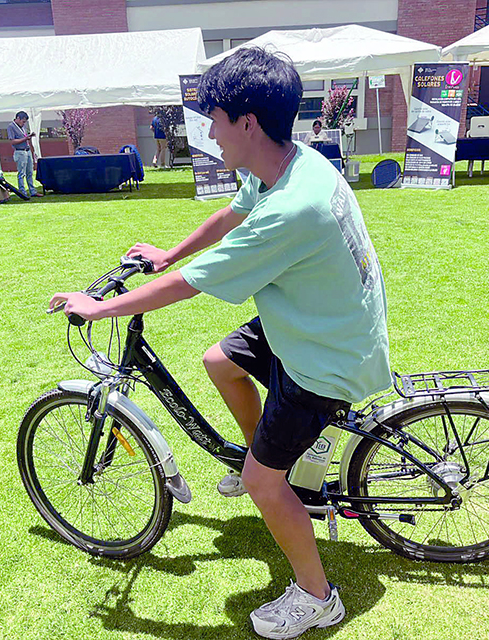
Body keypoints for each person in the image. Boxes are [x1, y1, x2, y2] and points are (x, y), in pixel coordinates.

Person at [49, 47, 390, 639]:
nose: (208, 131)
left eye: (215, 118)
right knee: (218, 361)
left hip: (325, 355)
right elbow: (231, 213)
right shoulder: (289, 162)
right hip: (319, 320)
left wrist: (101, 307)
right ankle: (285, 454)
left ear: (247, 122)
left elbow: (189, 287)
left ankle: (317, 595)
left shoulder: (292, 208)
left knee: (261, 484)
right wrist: (168, 252)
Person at [7, 111, 42, 198]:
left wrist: (29, 136)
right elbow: (13, 141)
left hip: (27, 150)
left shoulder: (23, 127)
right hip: (20, 151)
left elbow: (24, 137)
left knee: (30, 172)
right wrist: (25, 138)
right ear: (18, 118)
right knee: (21, 173)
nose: (23, 123)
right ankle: (22, 192)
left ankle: (32, 191)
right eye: (23, 121)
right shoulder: (11, 127)